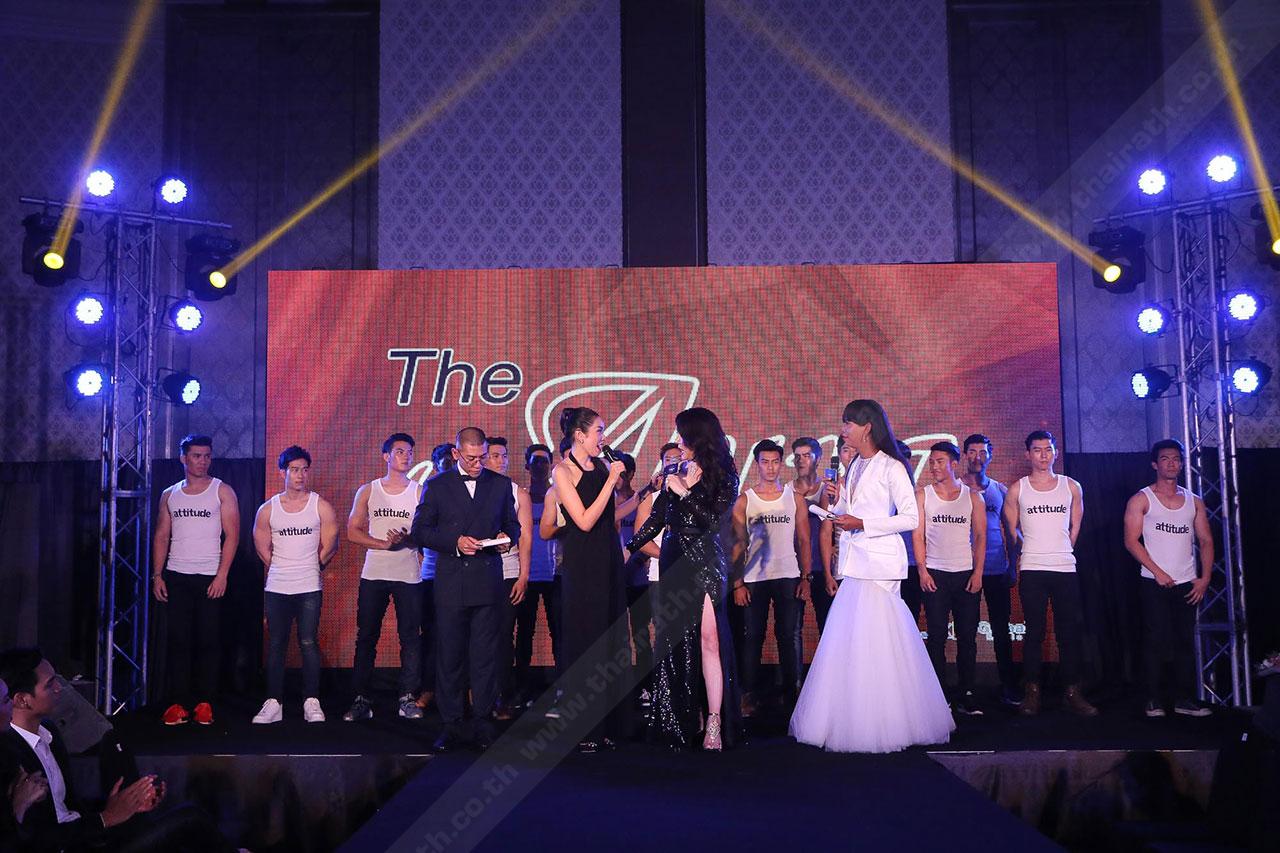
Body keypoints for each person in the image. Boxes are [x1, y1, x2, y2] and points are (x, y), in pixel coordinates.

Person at [789, 400, 954, 753]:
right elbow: (850, 511)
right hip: (855, 563)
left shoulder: (892, 466)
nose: (843, 430)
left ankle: (888, 722)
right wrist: (834, 506)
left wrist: (863, 523)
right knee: (852, 641)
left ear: (866, 427)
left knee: (880, 641)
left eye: (848, 423)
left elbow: (909, 517)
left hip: (879, 565)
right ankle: (850, 718)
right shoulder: (856, 465)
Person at [0, 649, 238, 852]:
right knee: (191, 820)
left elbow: (68, 807)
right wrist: (107, 818)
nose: (59, 689)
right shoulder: (10, 756)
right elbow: (38, 838)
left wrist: (123, 806)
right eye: (50, 684)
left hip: (89, 835)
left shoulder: (49, 733)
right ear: (22, 700)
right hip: (72, 845)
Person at [628, 407, 741, 751]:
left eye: (681, 434)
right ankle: (684, 717)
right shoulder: (674, 470)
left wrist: (686, 492)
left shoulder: (724, 474)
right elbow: (657, 518)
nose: (678, 441)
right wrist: (629, 548)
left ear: (697, 436)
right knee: (677, 642)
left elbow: (713, 521)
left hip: (705, 560)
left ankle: (715, 721)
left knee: (709, 640)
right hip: (674, 558)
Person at [410, 428, 521, 753]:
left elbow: (513, 525)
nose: (477, 464)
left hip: (487, 581)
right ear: (456, 454)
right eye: (471, 458)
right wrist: (455, 542)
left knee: (485, 656)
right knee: (450, 656)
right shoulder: (437, 485)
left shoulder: (499, 484)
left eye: (482, 457)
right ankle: (452, 723)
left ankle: (483, 721)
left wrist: (506, 539)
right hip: (451, 583)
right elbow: (420, 531)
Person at [552, 407, 631, 752]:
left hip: (608, 558)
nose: (603, 437)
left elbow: (608, 516)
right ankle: (584, 727)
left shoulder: (599, 466)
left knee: (611, 639)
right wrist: (611, 482)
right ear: (579, 435)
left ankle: (611, 724)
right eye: (599, 430)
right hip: (583, 564)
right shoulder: (562, 471)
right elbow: (583, 521)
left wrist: (640, 494)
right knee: (586, 640)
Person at [1003, 430, 1097, 716]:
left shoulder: (1071, 486)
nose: (1043, 455)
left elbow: (1076, 525)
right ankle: (1032, 691)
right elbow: (1011, 530)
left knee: (1069, 631)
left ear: (1055, 452)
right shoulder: (1018, 489)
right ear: (1028, 454)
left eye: (1048, 449)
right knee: (1034, 631)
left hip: (1064, 567)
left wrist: (1063, 549)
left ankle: (1073, 691)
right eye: (1037, 450)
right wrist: (1029, 549)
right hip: (1032, 567)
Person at [151, 434, 240, 726]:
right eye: (196, 456)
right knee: (178, 641)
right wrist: (158, 575)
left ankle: (205, 704)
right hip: (177, 576)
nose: (203, 461)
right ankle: (178, 704)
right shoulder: (170, 494)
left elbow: (232, 535)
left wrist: (222, 574)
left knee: (208, 641)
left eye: (207, 456)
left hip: (209, 576)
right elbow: (162, 535)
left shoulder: (222, 490)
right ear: (184, 458)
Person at [1123, 439, 1214, 717]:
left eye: (1176, 459)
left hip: (1187, 582)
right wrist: (1158, 572)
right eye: (1165, 459)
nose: (1171, 463)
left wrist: (1204, 579)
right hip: (1154, 582)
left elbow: (1206, 541)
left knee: (1184, 641)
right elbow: (1131, 541)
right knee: (1155, 640)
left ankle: (1184, 699)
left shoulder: (1193, 501)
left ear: (1182, 463)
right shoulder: (1142, 499)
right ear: (1155, 464)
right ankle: (1153, 699)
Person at [251, 446, 339, 724]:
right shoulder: (268, 509)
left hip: (309, 586)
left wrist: (312, 566)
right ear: (283, 473)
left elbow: (331, 543)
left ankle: (311, 701)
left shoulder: (320, 505)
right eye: (294, 470)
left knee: (308, 641)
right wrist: (280, 566)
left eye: (304, 470)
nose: (300, 475)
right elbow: (261, 546)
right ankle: (273, 702)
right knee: (277, 643)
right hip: (277, 586)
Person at [343, 434, 424, 722]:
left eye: (410, 452)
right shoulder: (369, 490)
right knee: (366, 636)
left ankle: (407, 697)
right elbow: (352, 531)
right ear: (386, 456)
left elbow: (426, 534)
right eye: (399, 451)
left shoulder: (419, 491)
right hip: (375, 573)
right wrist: (383, 544)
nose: (406, 456)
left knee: (410, 638)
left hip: (408, 574)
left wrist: (406, 539)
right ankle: (361, 699)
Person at [731, 440, 810, 717]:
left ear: (781, 463)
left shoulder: (794, 498)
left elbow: (804, 539)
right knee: (753, 637)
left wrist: (806, 577)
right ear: (757, 464)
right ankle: (747, 697)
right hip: (754, 578)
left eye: (775, 461)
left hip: (789, 575)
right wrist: (737, 583)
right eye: (765, 462)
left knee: (789, 636)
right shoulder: (745, 500)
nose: (771, 467)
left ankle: (793, 696)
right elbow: (738, 545)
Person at [914, 442, 986, 716]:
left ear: (954, 464)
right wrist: (922, 570)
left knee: (967, 637)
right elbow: (917, 536)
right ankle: (938, 696)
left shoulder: (973, 497)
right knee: (936, 637)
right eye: (932, 461)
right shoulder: (923, 495)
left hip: (965, 574)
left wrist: (978, 572)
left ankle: (967, 692)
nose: (934, 466)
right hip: (935, 574)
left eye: (940, 461)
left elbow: (980, 537)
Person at [961, 433, 1020, 706]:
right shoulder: (956, 490)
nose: (978, 457)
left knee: (1001, 629)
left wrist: (1012, 565)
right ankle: (967, 690)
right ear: (965, 455)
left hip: (997, 568)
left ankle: (1009, 686)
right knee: (966, 631)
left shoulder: (1000, 490)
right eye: (973, 452)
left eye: (983, 452)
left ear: (990, 455)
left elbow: (1012, 532)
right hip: (965, 569)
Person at [482, 438, 531, 720]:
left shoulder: (517, 493)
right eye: (495, 455)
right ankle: (478, 696)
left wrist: (523, 575)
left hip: (508, 572)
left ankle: (503, 695)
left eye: (504, 455)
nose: (501, 461)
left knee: (503, 637)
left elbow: (525, 539)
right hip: (477, 572)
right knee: (478, 636)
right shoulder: (473, 489)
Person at [516, 443, 560, 705]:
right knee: (524, 633)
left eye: (545, 461)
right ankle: (522, 688)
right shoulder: (520, 499)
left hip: (555, 576)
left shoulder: (559, 497)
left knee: (560, 633)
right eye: (536, 461)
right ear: (527, 466)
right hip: (527, 576)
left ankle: (563, 688)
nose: (541, 466)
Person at [791, 437, 835, 635]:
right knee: (792, 629)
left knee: (828, 625)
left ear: (818, 459)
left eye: (807, 456)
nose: (801, 460)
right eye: (797, 456)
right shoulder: (786, 491)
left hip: (825, 566)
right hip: (795, 567)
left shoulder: (829, 489)